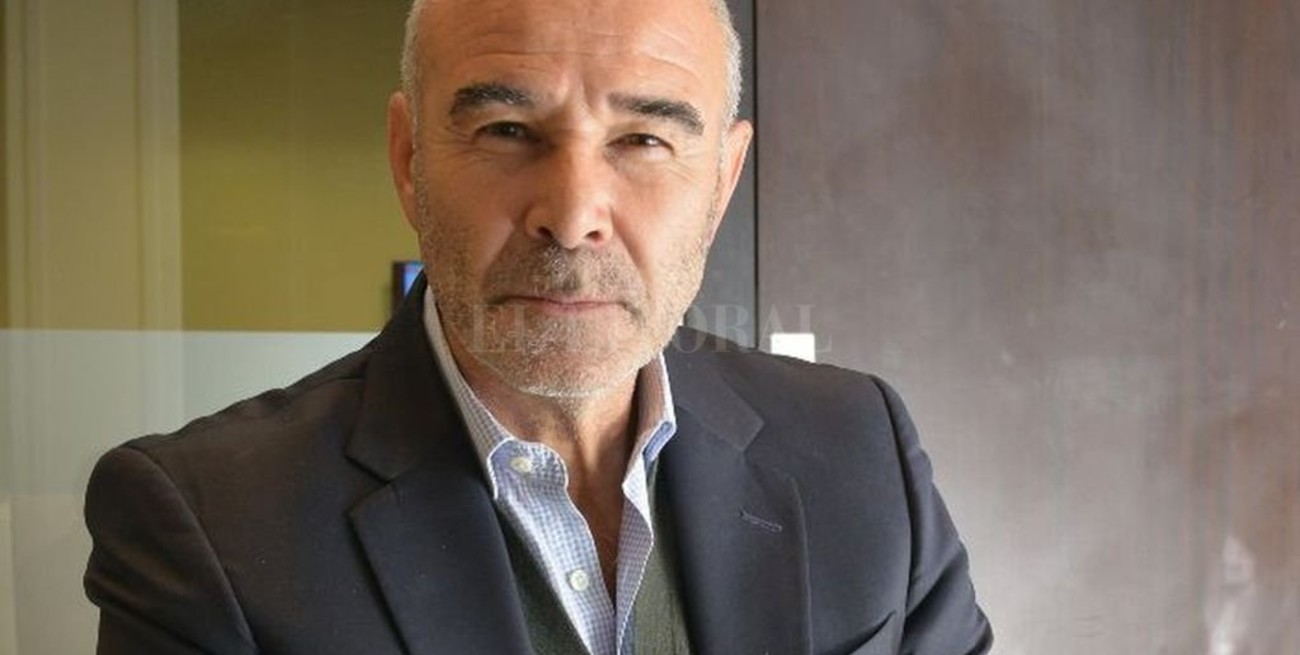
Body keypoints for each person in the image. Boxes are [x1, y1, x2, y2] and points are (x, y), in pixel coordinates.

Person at [83, 0, 993, 652]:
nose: (572, 214)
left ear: (720, 183)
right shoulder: (208, 524)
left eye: (643, 140)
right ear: (408, 160)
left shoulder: (859, 449)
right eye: (509, 130)